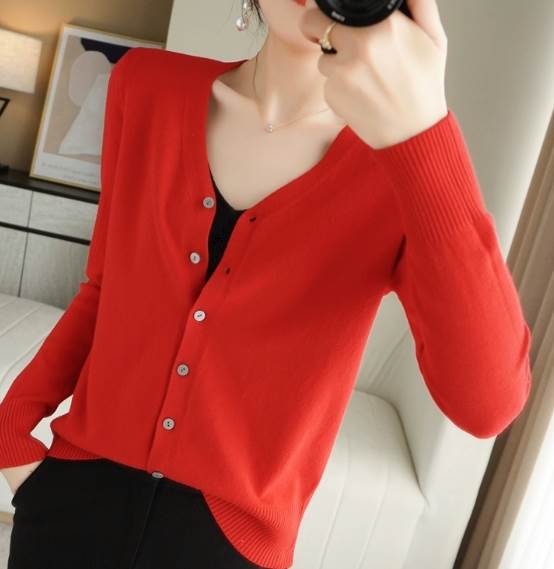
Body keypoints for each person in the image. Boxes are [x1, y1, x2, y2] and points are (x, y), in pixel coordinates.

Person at [0, 0, 532, 568]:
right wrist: (12, 429)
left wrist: (425, 132)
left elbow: (488, 404)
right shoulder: (147, 86)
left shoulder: (401, 170)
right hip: (69, 510)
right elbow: (104, 288)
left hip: (231, 548)